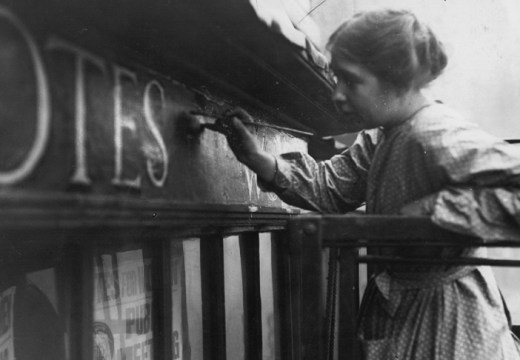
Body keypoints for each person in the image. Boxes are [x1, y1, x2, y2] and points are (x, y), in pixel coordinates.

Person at [213, 8, 520, 360]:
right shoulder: (382, 134)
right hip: (405, 311)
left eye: (351, 81)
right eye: (336, 79)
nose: (338, 95)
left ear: (394, 80)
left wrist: (438, 215)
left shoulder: (435, 134)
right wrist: (258, 158)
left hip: (450, 323)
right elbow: (332, 188)